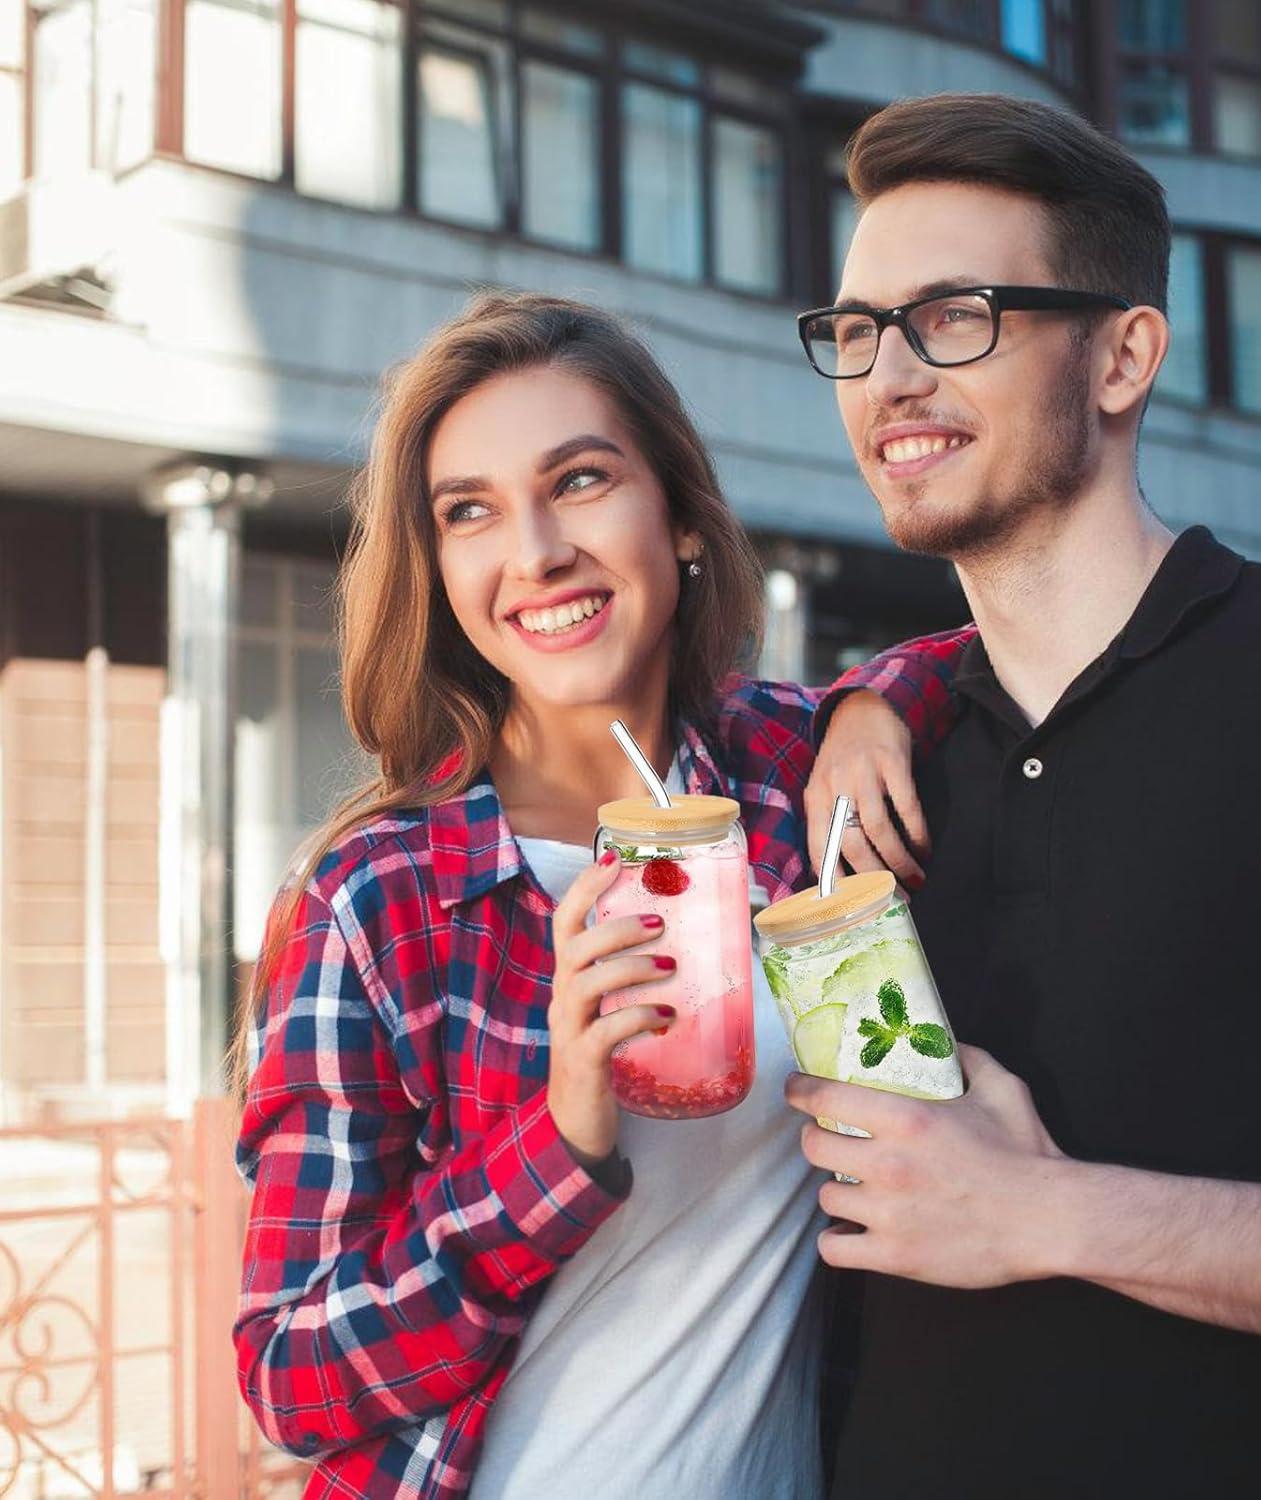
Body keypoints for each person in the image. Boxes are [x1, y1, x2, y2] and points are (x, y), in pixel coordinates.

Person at [793, 93, 1261, 1499]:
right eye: (859, 330)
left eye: (954, 317)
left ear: (1123, 356)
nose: (888, 377)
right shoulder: (875, 759)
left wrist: (1048, 1214)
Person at [231, 291, 958, 1500]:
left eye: (578, 481)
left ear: (678, 517)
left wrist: (880, 697)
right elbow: (289, 1377)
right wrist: (558, 1139)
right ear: (443, 570)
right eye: (471, 512)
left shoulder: (786, 782)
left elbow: (990, 655)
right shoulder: (375, 903)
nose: (535, 550)